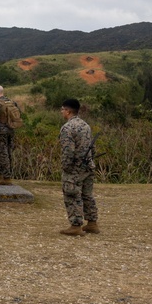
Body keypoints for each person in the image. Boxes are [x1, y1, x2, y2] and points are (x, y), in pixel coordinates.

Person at [59, 98, 99, 236]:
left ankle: (76, 225)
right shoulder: (85, 125)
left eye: (62, 109)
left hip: (75, 168)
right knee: (87, 195)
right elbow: (92, 147)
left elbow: (68, 150)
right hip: (88, 165)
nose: (61, 112)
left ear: (68, 111)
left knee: (72, 194)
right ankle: (92, 223)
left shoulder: (68, 128)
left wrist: (66, 167)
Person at [0, 85, 17, 185]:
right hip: (11, 130)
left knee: (1, 153)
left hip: (0, 131)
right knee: (9, 152)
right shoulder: (11, 102)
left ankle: (6, 177)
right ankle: (5, 174)